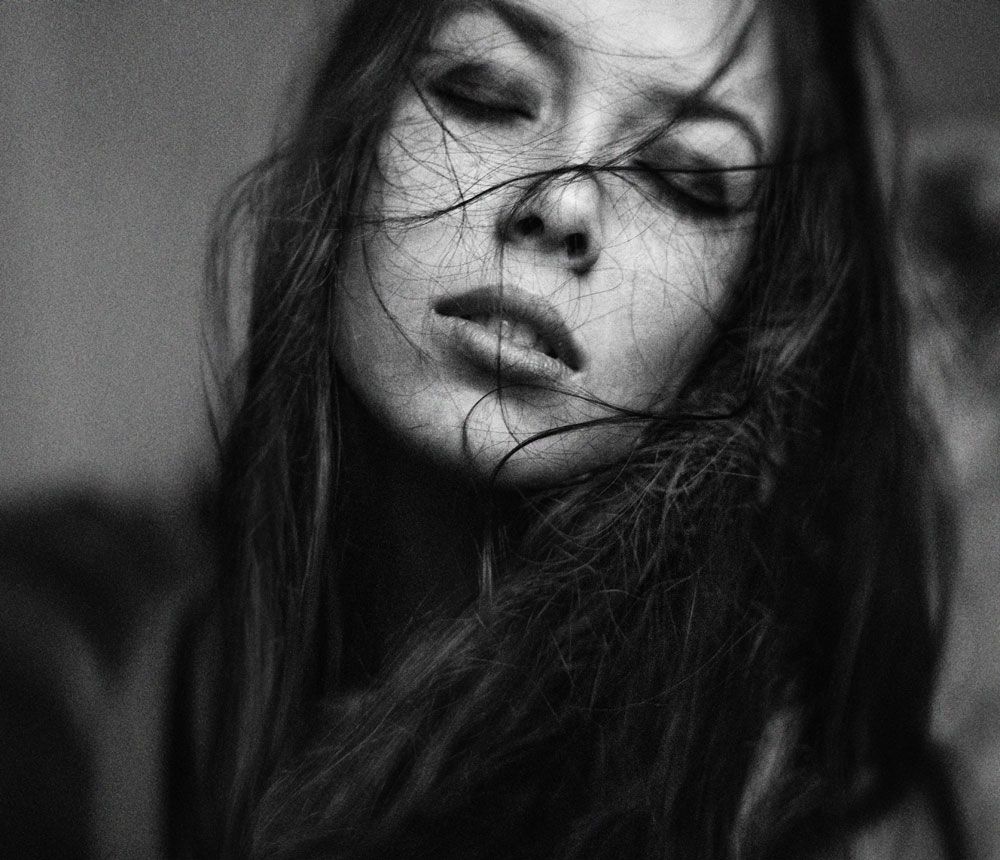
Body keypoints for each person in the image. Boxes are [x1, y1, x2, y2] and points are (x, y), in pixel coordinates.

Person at [175, 0, 966, 856]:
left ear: (752, 309)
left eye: (682, 176)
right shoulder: (172, 694)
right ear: (351, 130)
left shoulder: (833, 822)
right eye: (485, 92)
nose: (561, 201)